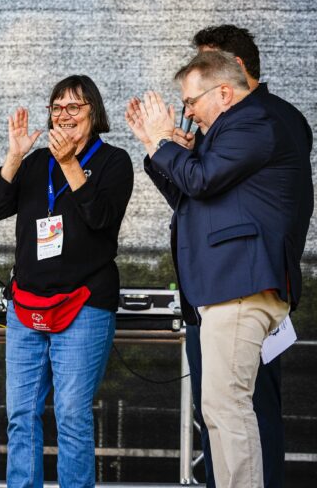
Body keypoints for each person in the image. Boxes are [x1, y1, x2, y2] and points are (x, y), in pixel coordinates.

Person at [130, 25, 313, 488]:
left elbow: (203, 181)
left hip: (240, 283)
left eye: (192, 99)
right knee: (220, 408)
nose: (187, 111)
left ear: (226, 89)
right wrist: (169, 154)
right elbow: (193, 196)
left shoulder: (257, 119)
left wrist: (161, 144)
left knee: (230, 407)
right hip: (219, 287)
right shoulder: (226, 131)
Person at [0, 76, 133, 487]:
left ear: (94, 114)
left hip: (84, 305)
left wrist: (70, 163)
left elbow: (101, 218)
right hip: (26, 307)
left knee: (71, 415)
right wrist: (15, 155)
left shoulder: (114, 162)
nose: (64, 115)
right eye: (57, 108)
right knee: (21, 415)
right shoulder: (34, 163)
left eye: (74, 107)